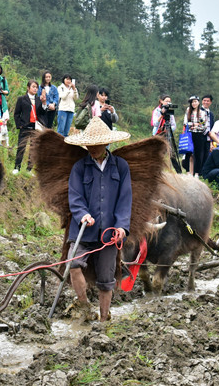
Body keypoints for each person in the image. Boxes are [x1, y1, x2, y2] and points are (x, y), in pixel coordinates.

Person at [64, 116, 132, 322]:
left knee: (106, 279)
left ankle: (103, 320)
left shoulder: (120, 167)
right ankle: (84, 304)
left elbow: (124, 199)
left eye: (96, 144)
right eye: (89, 145)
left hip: (108, 232)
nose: (92, 148)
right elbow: (74, 196)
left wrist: (122, 227)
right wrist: (82, 213)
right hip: (83, 228)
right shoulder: (79, 167)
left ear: (106, 143)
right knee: (73, 264)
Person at [12, 80, 40, 175]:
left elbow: (42, 114)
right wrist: (19, 124)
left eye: (36, 87)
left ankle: (29, 169)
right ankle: (17, 167)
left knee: (33, 148)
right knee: (21, 146)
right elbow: (16, 113)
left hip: (35, 127)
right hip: (25, 126)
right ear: (28, 88)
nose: (35, 89)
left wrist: (44, 105)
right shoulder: (22, 99)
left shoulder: (39, 100)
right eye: (33, 87)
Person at [184, 96, 209, 175]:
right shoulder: (188, 111)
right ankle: (188, 172)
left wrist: (196, 125)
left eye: (195, 101)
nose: (194, 103)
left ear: (198, 102)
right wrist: (195, 124)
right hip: (190, 134)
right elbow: (186, 123)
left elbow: (205, 126)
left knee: (198, 154)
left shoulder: (203, 112)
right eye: (192, 102)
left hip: (199, 135)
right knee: (188, 153)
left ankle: (197, 173)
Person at [0, 63, 10, 147]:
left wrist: (2, 91)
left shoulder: (3, 80)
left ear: (0, 71)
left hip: (1, 103)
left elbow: (7, 91)